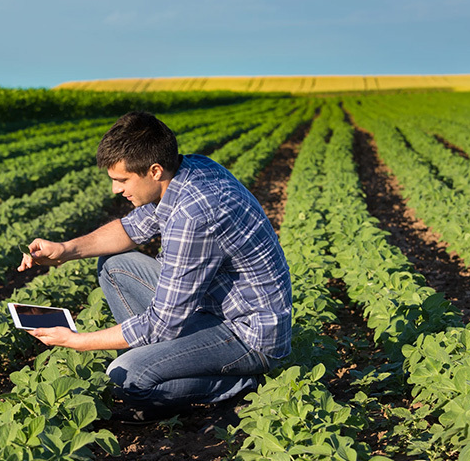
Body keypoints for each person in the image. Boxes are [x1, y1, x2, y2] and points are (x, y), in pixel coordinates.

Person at [17, 111, 291, 422]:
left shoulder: (194, 215)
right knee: (115, 265)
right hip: (212, 308)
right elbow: (130, 230)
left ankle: (238, 384)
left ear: (155, 170)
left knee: (127, 378)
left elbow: (163, 324)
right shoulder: (189, 169)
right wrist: (65, 250)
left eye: (121, 180)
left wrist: (79, 341)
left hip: (248, 336)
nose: (115, 190)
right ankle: (158, 358)